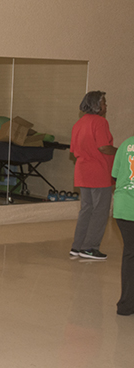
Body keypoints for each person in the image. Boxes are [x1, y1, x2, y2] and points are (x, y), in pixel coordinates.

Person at [69, 91, 117, 260]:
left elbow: (74, 151)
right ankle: (90, 248)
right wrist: (120, 152)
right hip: (99, 172)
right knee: (100, 211)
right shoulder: (100, 122)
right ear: (96, 105)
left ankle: (77, 246)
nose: (106, 105)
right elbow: (104, 147)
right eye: (104, 102)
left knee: (86, 209)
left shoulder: (79, 123)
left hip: (82, 172)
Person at [111, 134, 134, 315]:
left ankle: (126, 305)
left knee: (130, 254)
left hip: (123, 208)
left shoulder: (126, 144)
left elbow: (115, 175)